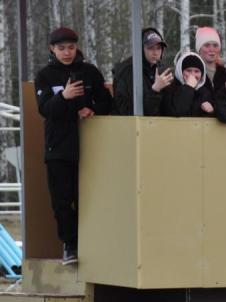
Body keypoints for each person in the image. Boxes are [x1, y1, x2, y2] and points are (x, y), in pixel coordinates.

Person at [35, 27, 112, 265]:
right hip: (58, 148)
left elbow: (107, 102)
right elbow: (45, 109)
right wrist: (64, 96)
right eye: (61, 48)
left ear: (76, 47)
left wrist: (92, 109)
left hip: (90, 148)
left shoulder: (89, 72)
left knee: (88, 198)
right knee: (62, 200)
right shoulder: (45, 76)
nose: (67, 53)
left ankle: (91, 243)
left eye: (70, 47)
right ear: (52, 49)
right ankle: (70, 245)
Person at [112, 27, 172, 116]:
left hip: (156, 125)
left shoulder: (159, 69)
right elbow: (136, 112)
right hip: (129, 125)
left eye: (159, 48)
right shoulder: (129, 71)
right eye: (150, 48)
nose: (155, 52)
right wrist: (155, 90)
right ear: (140, 49)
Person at [162, 51, 214, 117]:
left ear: (202, 74)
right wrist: (188, 87)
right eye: (188, 70)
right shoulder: (170, 90)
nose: (192, 75)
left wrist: (211, 111)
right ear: (180, 72)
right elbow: (176, 112)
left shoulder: (205, 93)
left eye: (196, 71)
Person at [194, 27, 226, 95]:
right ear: (199, 49)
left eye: (215, 45)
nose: (211, 49)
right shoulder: (191, 73)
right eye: (207, 45)